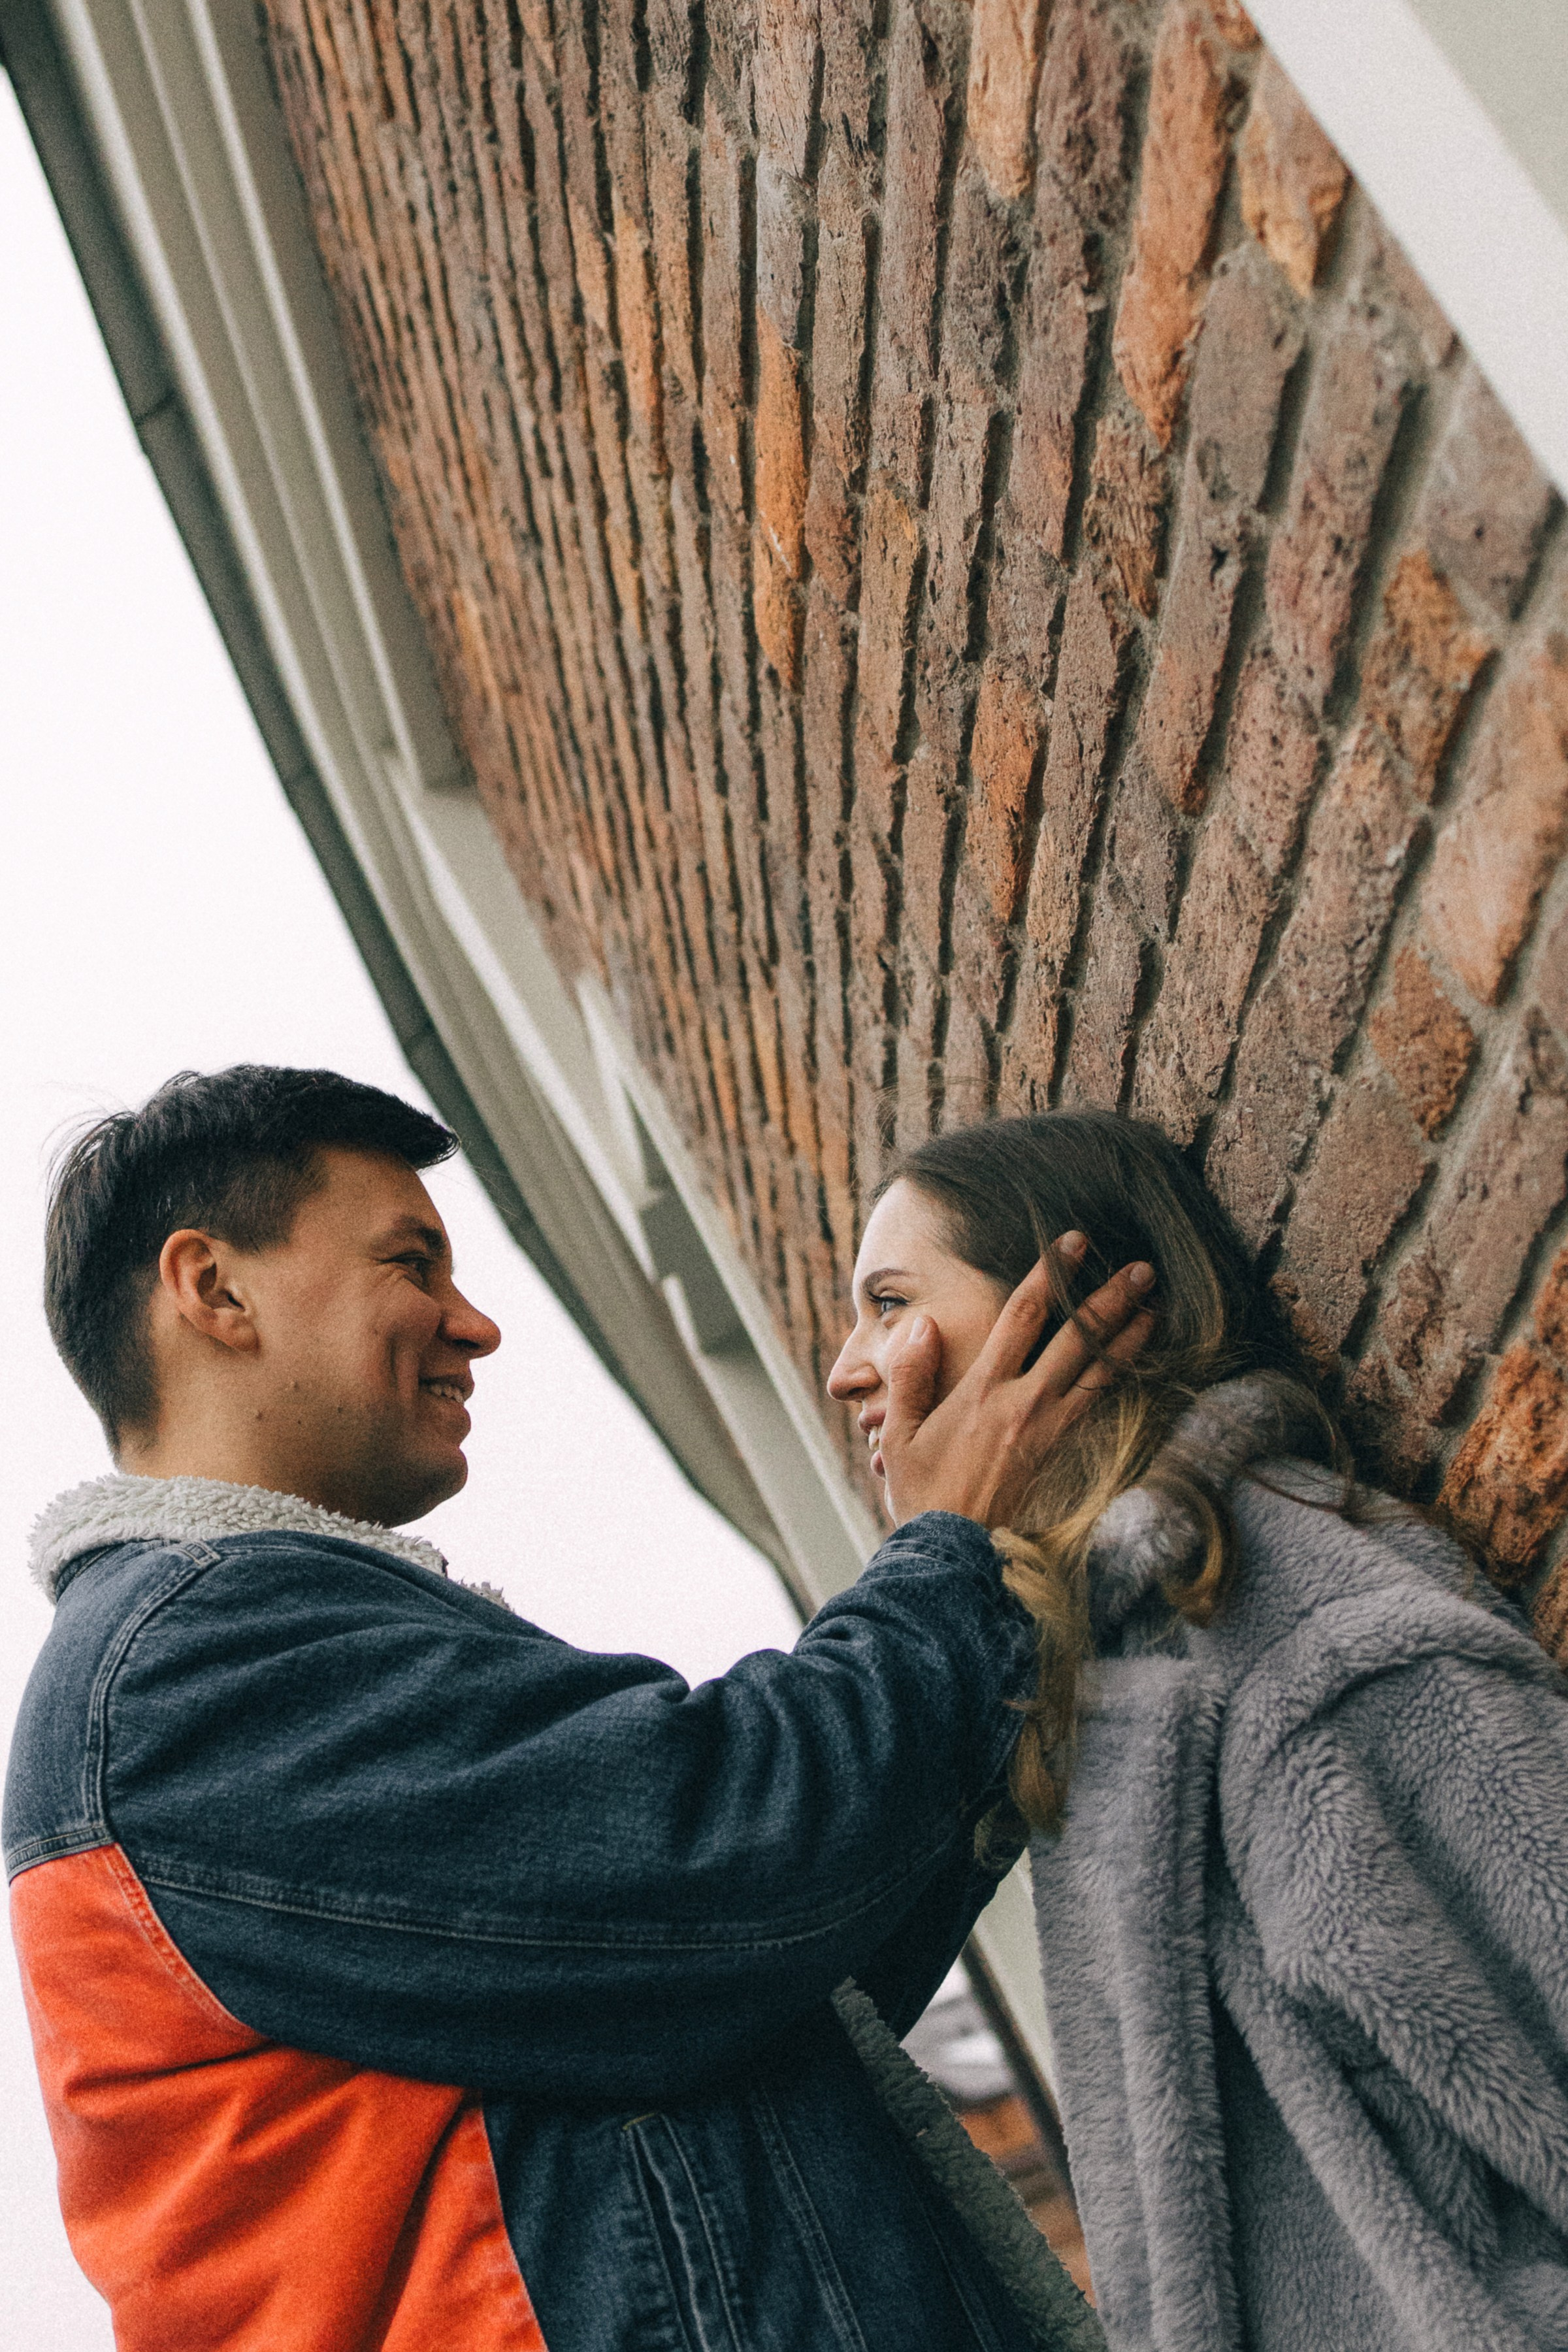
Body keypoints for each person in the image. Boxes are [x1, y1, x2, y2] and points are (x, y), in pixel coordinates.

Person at [6, 1064, 1151, 2352]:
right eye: (412, 1264)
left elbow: (781, 1986)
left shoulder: (240, 1649)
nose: (474, 1323)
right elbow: (725, 1865)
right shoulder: (186, 1675)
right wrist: (948, 1551)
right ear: (214, 1291)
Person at [826, 1107, 1568, 2352]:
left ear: (1064, 1321)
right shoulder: (1120, 1687)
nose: (851, 1367)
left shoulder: (1300, 1637)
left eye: (890, 1300)